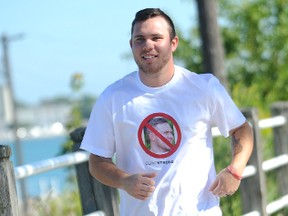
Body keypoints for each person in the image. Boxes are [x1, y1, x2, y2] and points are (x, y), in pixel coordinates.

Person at [81, 8, 254, 216]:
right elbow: (97, 162)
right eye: (140, 39)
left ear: (173, 43)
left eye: (156, 38)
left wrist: (235, 171)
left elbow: (242, 129)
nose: (148, 46)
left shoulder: (203, 88)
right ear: (131, 45)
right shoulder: (112, 97)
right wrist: (124, 181)